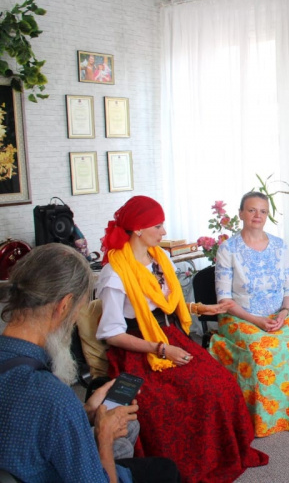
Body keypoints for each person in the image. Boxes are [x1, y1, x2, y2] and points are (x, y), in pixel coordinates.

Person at [96, 195, 269, 483]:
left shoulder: (159, 258)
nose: (164, 232)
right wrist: (161, 349)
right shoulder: (114, 273)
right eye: (158, 226)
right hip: (139, 348)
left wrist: (200, 308)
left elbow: (165, 306)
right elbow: (111, 333)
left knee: (221, 384)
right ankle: (188, 467)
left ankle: (222, 455)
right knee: (170, 403)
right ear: (138, 229)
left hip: (170, 337)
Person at [0, 243, 179, 483]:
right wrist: (103, 437)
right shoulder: (53, 396)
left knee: (129, 430)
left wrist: (84, 413)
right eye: (79, 309)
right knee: (165, 469)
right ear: (64, 306)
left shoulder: (44, 392)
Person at [209, 191, 289, 437]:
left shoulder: (279, 245)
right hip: (240, 316)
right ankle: (266, 418)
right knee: (261, 351)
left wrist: (285, 312)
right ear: (241, 213)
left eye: (263, 211)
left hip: (279, 314)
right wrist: (256, 320)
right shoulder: (228, 249)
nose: (258, 215)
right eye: (252, 210)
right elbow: (224, 299)